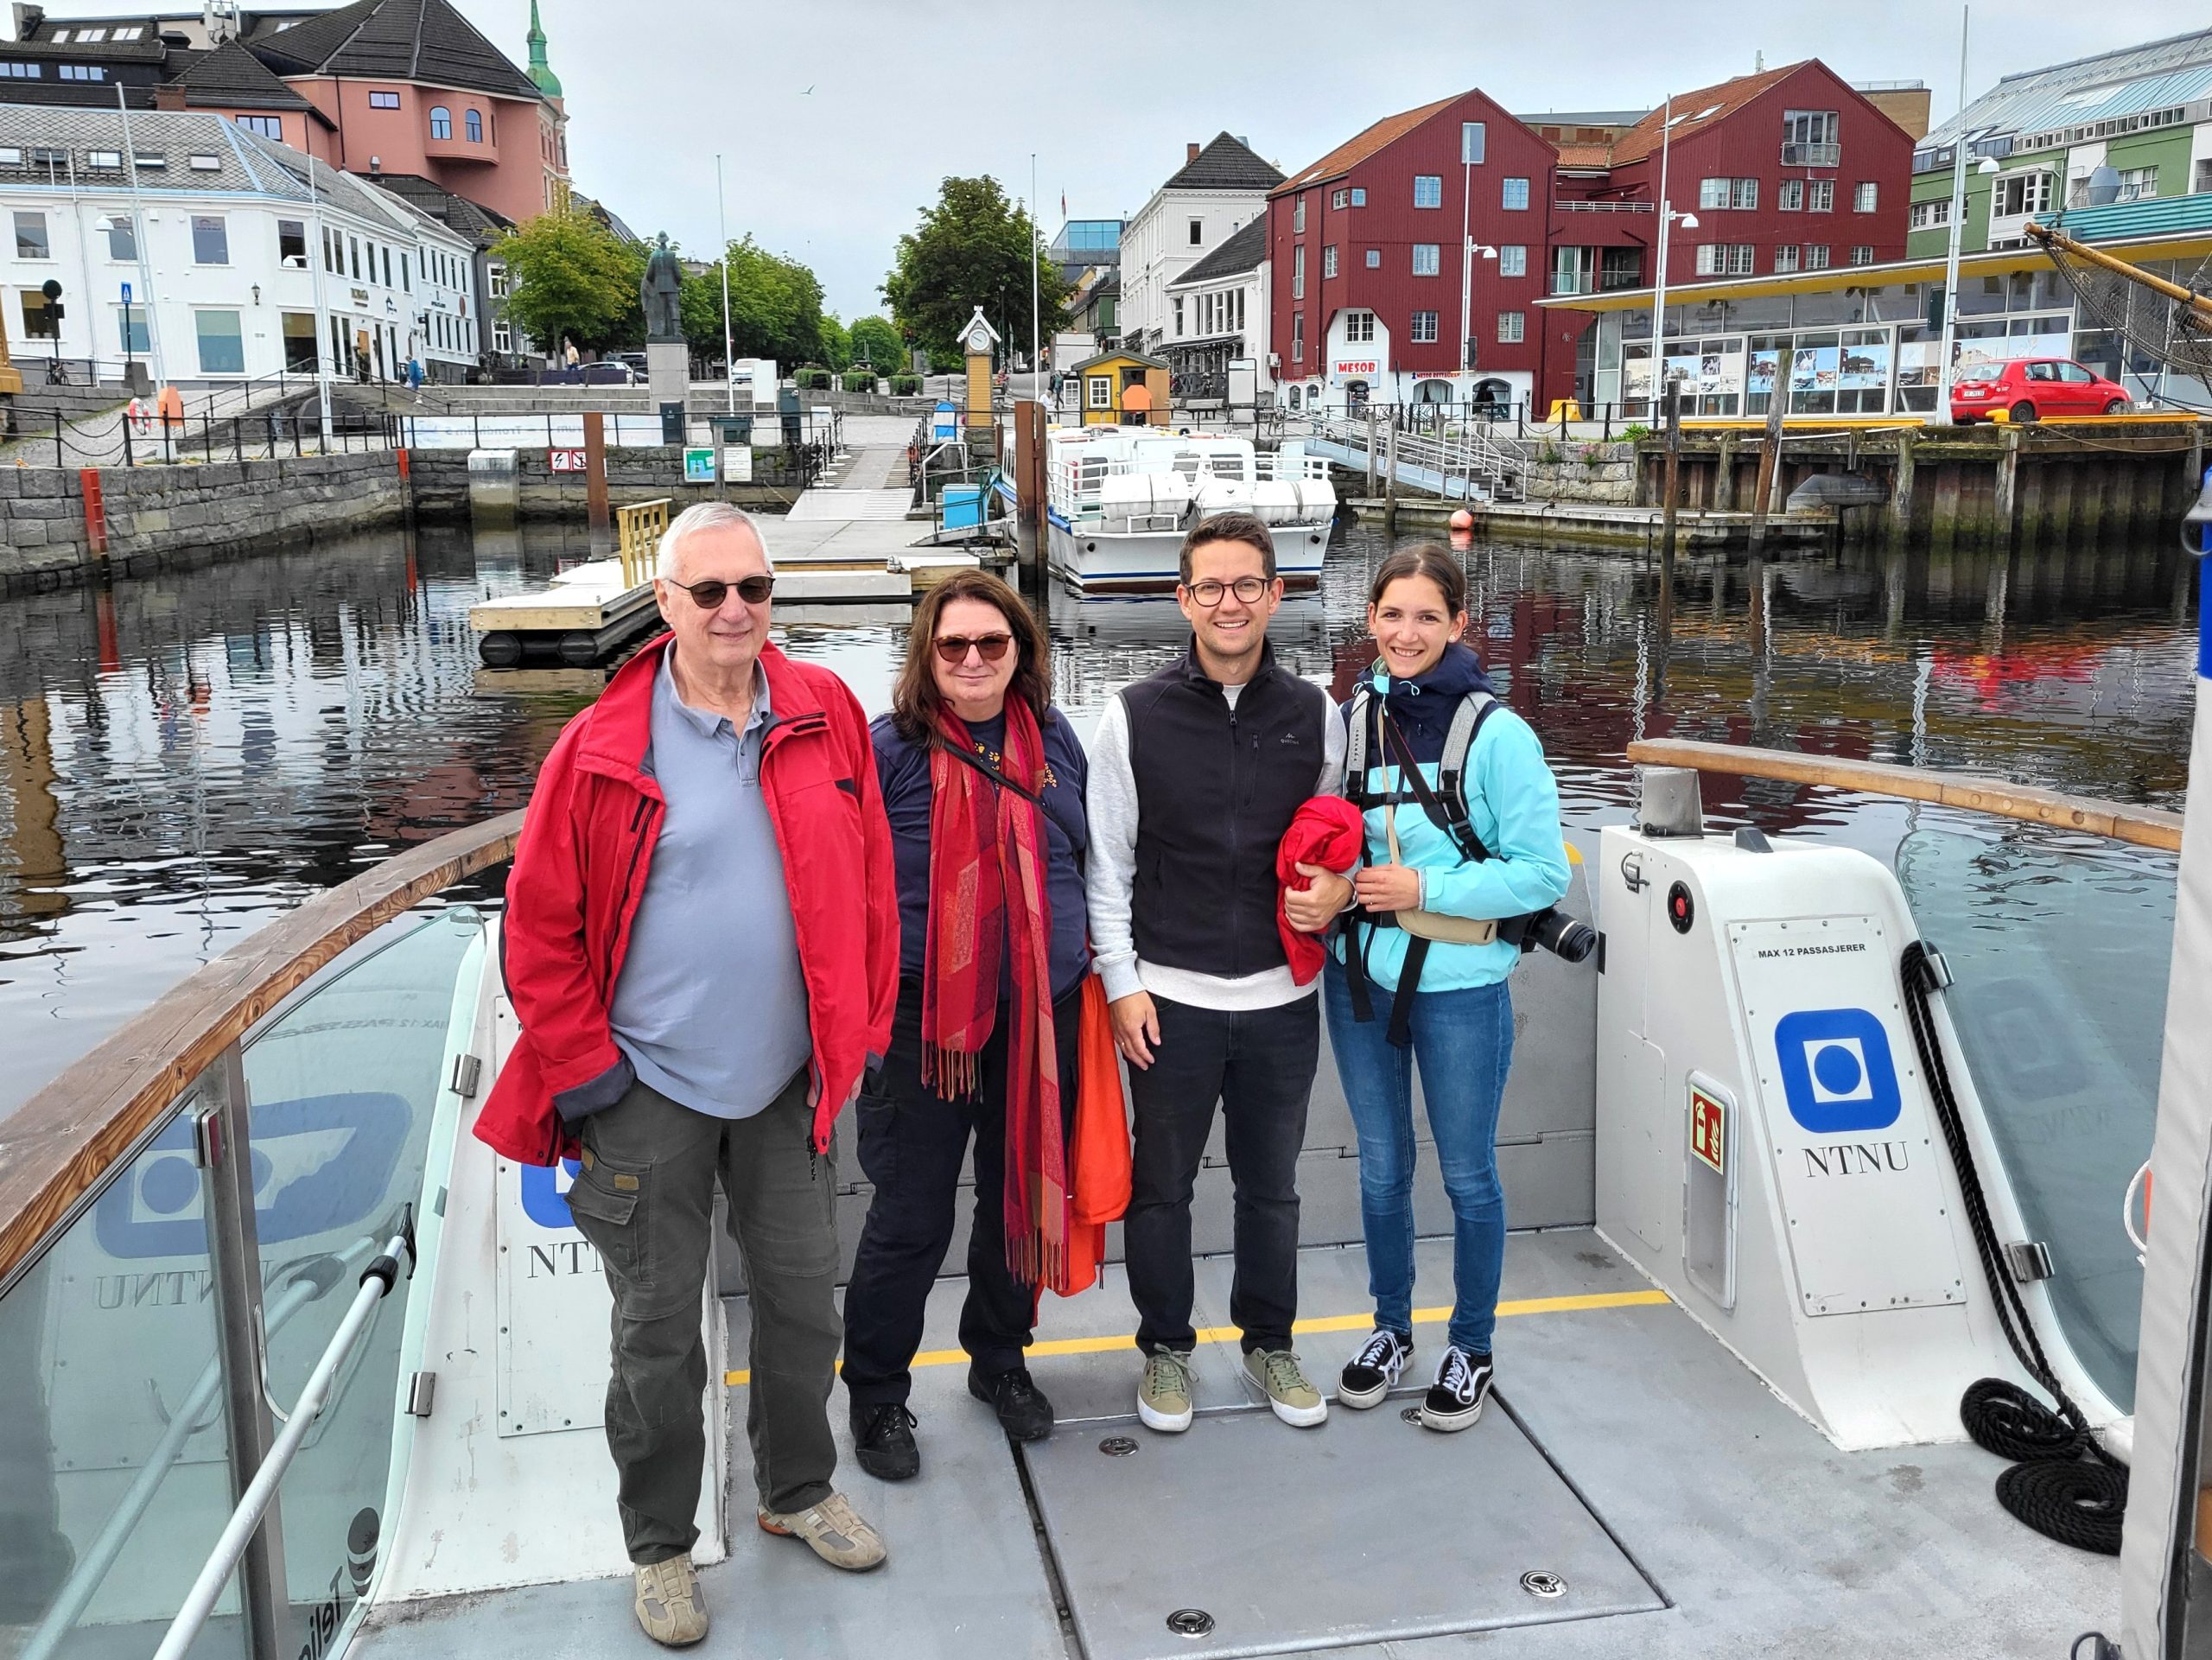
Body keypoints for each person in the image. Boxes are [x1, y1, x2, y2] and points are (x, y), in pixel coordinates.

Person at [474, 502, 899, 1647]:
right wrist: (589, 1073)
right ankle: (659, 1544)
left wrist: (854, 1028)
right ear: (663, 605)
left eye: (752, 589)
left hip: (789, 1082)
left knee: (804, 1308)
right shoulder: (602, 748)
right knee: (658, 1330)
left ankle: (796, 1490)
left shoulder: (823, 711)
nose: (733, 612)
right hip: (646, 1086)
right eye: (707, 592)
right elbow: (539, 928)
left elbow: (867, 883)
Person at [1086, 510, 1344, 1434]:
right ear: (1182, 597)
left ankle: (1268, 1342)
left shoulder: (1318, 713)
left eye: (1247, 585)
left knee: (1269, 1185)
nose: (1228, 603)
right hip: (1171, 999)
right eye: (1210, 586)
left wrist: (1338, 890)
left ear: (1277, 593)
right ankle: (1165, 1349)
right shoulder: (1132, 716)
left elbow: (1328, 845)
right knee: (1163, 1187)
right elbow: (1107, 866)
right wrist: (1122, 984)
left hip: (1282, 1000)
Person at [1305, 545, 1569, 1433]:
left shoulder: (1500, 735)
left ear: (1459, 623)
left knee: (1466, 1175)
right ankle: (1391, 1328)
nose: (1405, 633)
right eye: (1391, 615)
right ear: (1368, 621)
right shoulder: (1350, 719)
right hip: (1358, 986)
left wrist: (1424, 890)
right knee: (1381, 1171)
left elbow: (1537, 876)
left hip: (1458, 990)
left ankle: (1472, 1344)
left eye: (1426, 617)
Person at [841, 570, 1090, 1482]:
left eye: (993, 642)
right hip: (924, 1024)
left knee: (1017, 1194)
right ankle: (875, 1394)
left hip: (1041, 1015)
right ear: (927, 656)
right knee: (910, 1215)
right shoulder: (890, 750)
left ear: (1021, 650)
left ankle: (998, 1358)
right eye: (955, 646)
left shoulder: (1055, 740)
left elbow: (1086, 856)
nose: (975, 659)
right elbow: (838, 884)